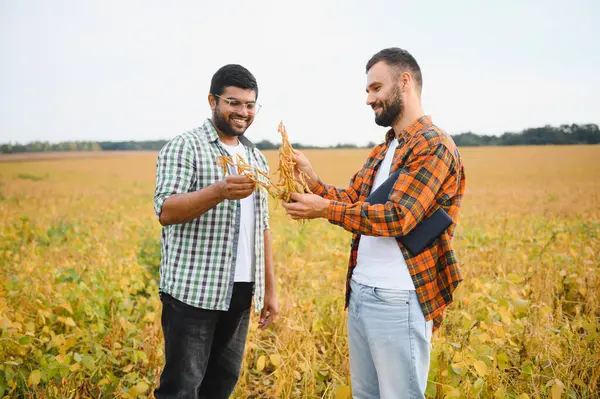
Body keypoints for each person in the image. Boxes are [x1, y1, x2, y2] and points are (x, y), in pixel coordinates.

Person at [282, 47, 466, 398]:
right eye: (368, 90)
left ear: (405, 82)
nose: (369, 98)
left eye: (376, 88)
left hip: (399, 297)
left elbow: (399, 217)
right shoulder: (386, 148)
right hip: (363, 291)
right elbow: (354, 201)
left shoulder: (433, 145)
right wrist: (311, 178)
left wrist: (322, 209)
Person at [153, 64, 278, 399]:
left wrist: (270, 290)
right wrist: (219, 191)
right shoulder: (186, 147)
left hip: (240, 293)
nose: (243, 111)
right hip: (193, 293)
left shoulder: (256, 157)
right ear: (213, 100)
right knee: (181, 388)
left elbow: (262, 226)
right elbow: (166, 210)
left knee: (221, 386)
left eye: (250, 105)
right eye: (233, 102)